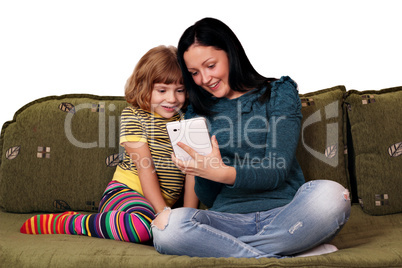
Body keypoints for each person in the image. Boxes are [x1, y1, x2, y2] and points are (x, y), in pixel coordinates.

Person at [151, 18, 351, 258]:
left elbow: (275, 171)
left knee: (332, 196)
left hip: (286, 214)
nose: (204, 79)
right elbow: (209, 196)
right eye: (194, 73)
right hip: (227, 220)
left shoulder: (279, 92)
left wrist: (223, 172)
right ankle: (284, 253)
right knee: (167, 228)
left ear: (232, 52)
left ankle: (236, 252)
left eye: (211, 65)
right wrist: (203, 172)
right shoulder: (196, 112)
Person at [20, 45, 199, 243]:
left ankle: (153, 220)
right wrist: (163, 213)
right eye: (162, 90)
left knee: (162, 232)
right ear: (144, 87)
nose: (172, 98)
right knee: (143, 229)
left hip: (158, 206)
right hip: (124, 194)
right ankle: (71, 222)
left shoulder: (187, 121)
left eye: (180, 90)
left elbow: (192, 170)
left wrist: (187, 217)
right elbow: (145, 168)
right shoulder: (134, 116)